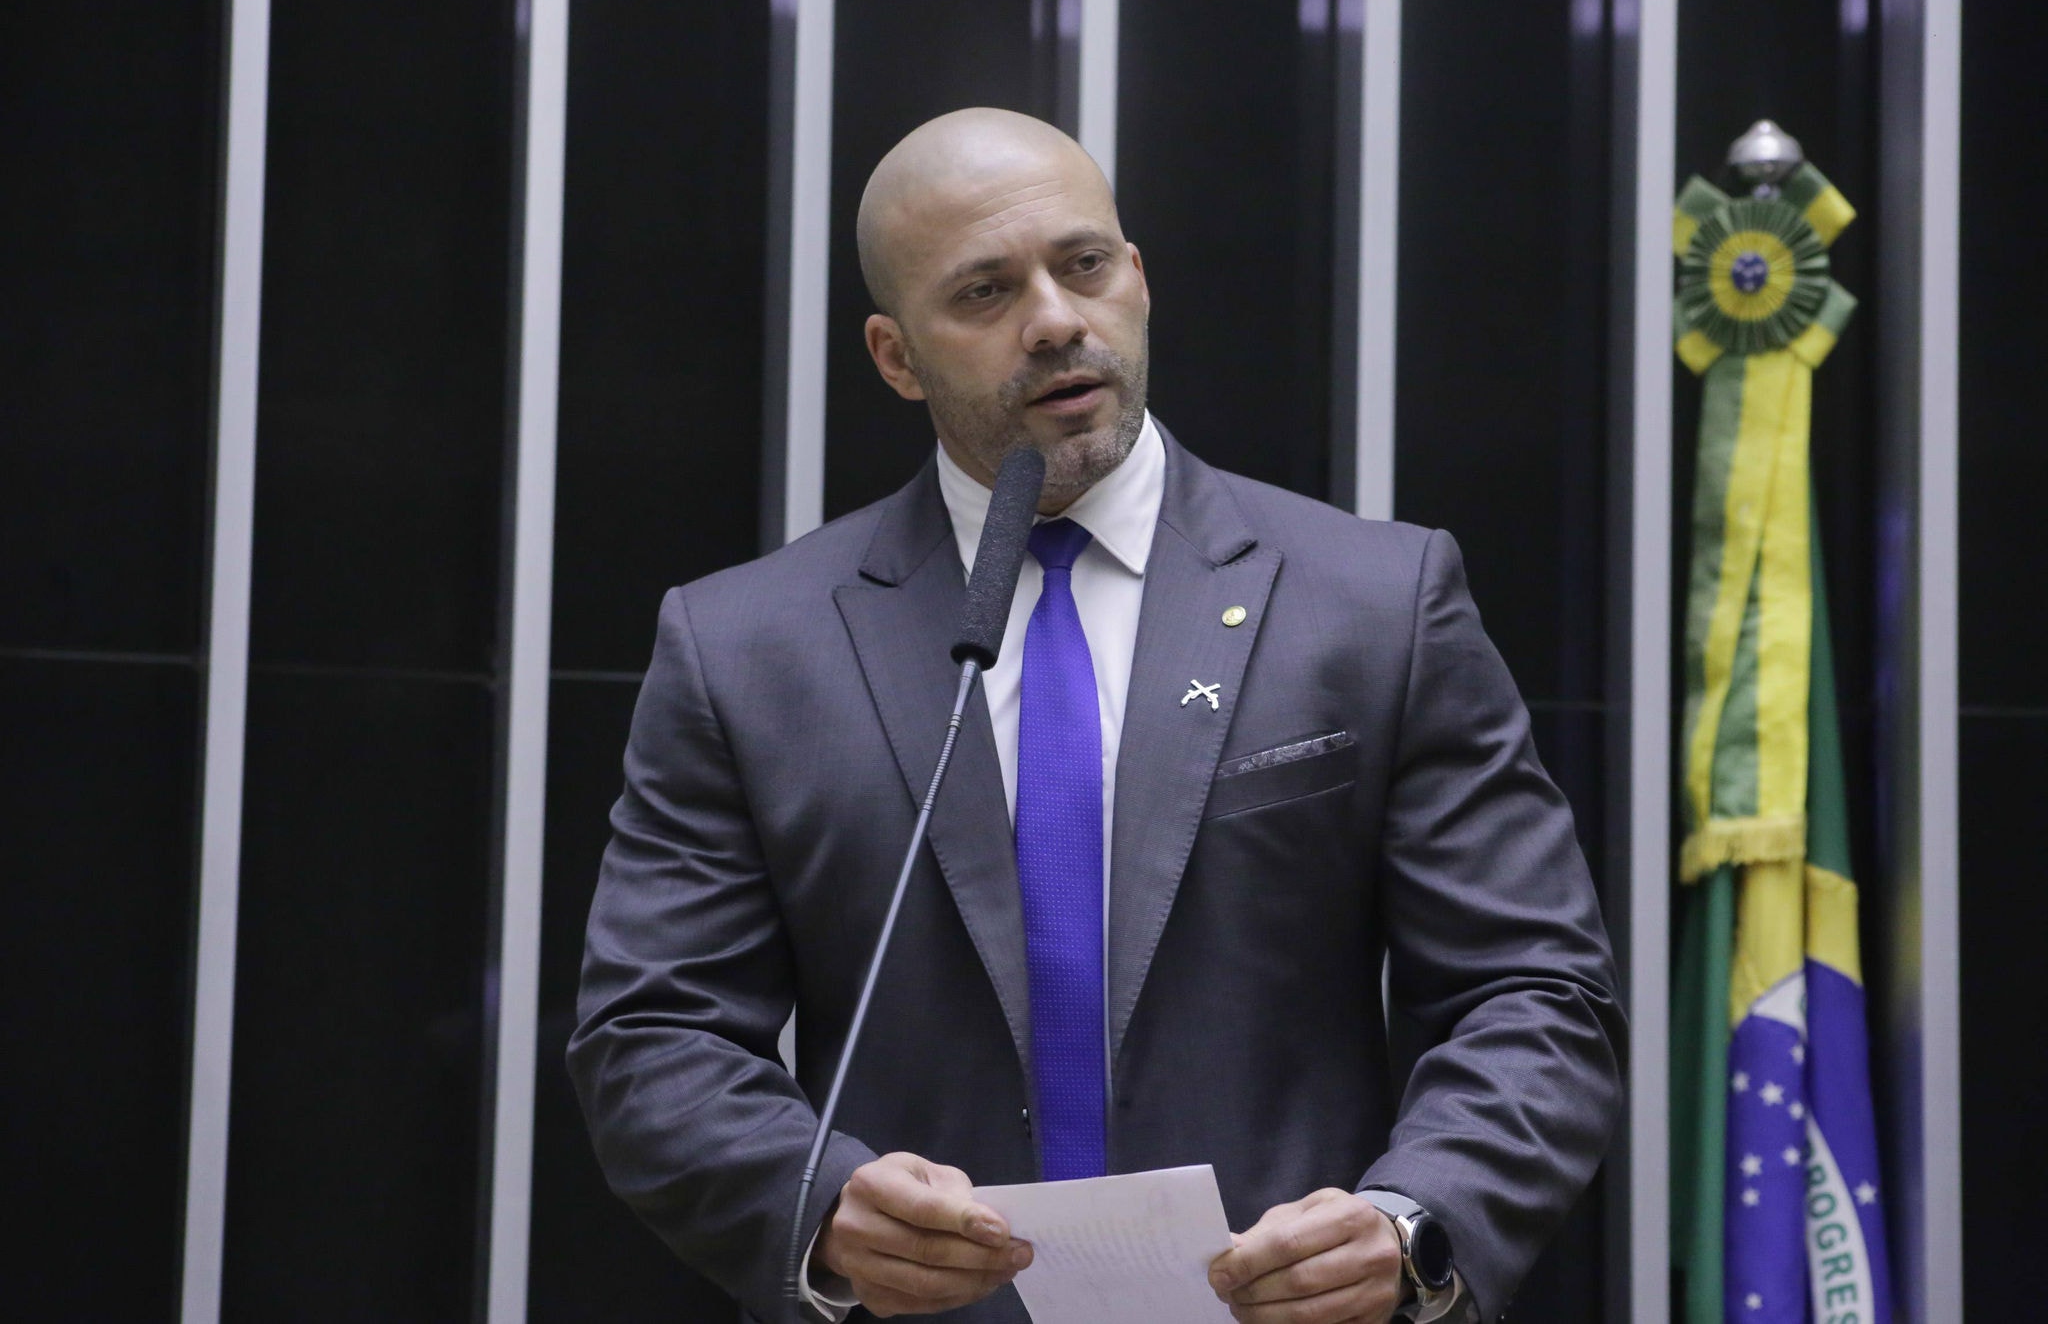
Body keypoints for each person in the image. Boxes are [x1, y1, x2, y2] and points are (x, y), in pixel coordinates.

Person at [569, 108, 1625, 1324]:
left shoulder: (1374, 604)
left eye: (1083, 265)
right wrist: (818, 1207)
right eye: (982, 291)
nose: (1056, 319)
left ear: (1136, 276)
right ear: (896, 355)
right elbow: (652, 1035)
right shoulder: (747, 649)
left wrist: (1408, 1219)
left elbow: (1532, 991)